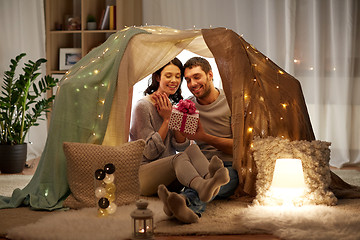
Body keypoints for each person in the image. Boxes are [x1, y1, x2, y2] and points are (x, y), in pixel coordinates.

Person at [129, 58, 230, 212]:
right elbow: (149, 152)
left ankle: (210, 180)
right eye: (168, 75)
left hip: (171, 178)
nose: (174, 81)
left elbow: (180, 145)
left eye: (178, 77)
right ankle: (202, 186)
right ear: (158, 77)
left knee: (191, 150)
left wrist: (178, 115)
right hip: (145, 177)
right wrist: (167, 120)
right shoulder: (143, 106)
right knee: (179, 158)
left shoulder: (175, 106)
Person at [157, 56, 239, 223]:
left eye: (196, 77)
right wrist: (174, 123)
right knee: (199, 181)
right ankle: (184, 204)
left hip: (227, 166)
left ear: (210, 75)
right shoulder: (187, 104)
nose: (192, 84)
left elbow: (237, 148)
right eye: (187, 80)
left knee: (215, 181)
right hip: (199, 164)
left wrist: (203, 137)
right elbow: (181, 144)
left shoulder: (231, 102)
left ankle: (182, 201)